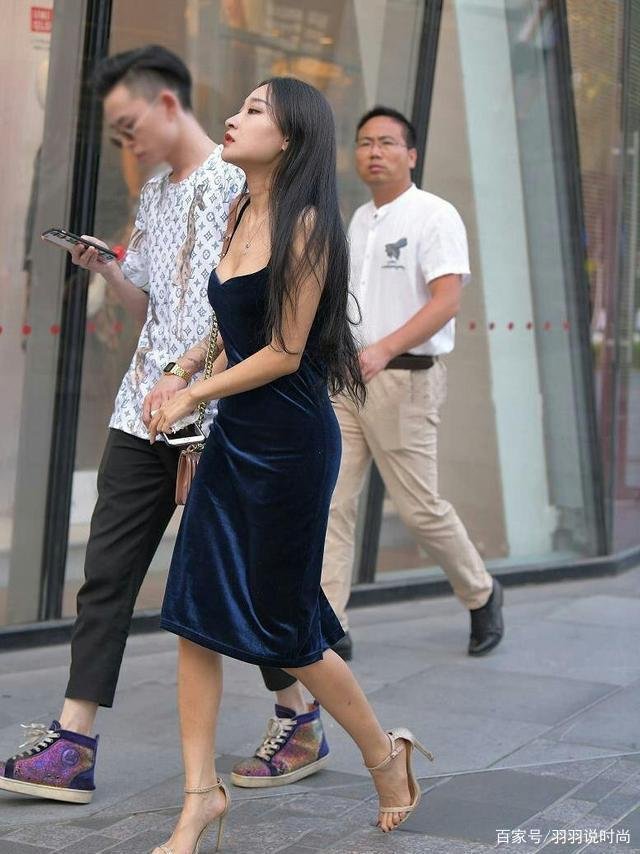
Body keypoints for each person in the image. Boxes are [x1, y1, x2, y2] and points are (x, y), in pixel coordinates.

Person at [146, 77, 433, 853]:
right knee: (193, 616)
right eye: (238, 108)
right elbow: (231, 320)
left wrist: (188, 396)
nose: (233, 119)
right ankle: (199, 797)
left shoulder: (308, 227)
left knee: (288, 632)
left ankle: (385, 755)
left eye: (252, 112)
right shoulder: (243, 208)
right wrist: (180, 368)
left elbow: (284, 351)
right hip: (236, 437)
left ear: (291, 138)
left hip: (290, 449)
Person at [229, 105, 505, 790]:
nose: (374, 152)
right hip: (346, 381)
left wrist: (383, 347)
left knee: (419, 508)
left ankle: (481, 593)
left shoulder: (434, 215)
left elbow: (446, 301)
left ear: (411, 154)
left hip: (405, 381)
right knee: (334, 507)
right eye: (364, 144)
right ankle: (332, 628)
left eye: (387, 143)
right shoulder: (356, 219)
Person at [0, 45, 243, 804]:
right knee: (105, 575)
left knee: (238, 582)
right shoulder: (159, 193)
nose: (126, 143)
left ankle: (302, 711)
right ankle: (74, 743)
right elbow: (154, 310)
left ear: (168, 104)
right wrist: (107, 266)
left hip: (213, 414)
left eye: (129, 125)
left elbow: (250, 313)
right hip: (141, 412)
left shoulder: (239, 186)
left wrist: (205, 404)